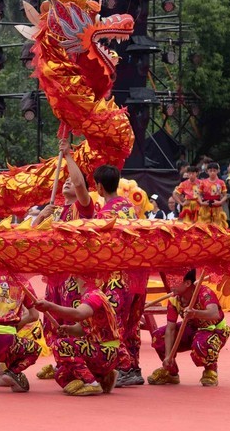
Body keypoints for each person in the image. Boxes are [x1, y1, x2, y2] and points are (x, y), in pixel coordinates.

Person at [31, 137, 98, 387]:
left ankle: (80, 364)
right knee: (52, 320)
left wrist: (68, 155)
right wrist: (40, 218)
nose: (68, 181)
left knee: (72, 319)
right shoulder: (56, 212)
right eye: (65, 180)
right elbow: (30, 238)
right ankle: (63, 361)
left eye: (71, 180)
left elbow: (80, 184)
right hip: (55, 275)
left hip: (74, 275)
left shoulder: (84, 208)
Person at [89, 164, 147, 387]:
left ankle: (123, 367)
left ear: (99, 187)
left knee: (113, 321)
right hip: (137, 274)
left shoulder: (104, 215)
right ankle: (133, 368)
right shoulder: (130, 208)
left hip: (116, 275)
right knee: (132, 323)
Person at [34, 278, 123, 395]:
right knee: (61, 375)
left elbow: (78, 314)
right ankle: (103, 377)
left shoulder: (93, 295)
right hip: (99, 351)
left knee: (60, 345)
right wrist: (69, 329)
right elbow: (83, 328)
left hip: (105, 351)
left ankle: (92, 384)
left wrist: (50, 306)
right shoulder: (90, 295)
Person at [147, 269, 229, 387]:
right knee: (158, 336)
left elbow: (214, 314)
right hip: (191, 328)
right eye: (169, 281)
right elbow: (170, 329)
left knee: (201, 343)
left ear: (187, 283)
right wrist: (168, 356)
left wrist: (195, 313)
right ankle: (171, 372)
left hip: (213, 330)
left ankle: (210, 371)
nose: (170, 285)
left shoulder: (205, 293)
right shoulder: (174, 299)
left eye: (174, 281)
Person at [196, 162, 228, 228]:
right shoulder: (203, 182)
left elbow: (225, 195)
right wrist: (201, 202)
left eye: (214, 171)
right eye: (210, 171)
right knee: (204, 226)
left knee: (217, 226)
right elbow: (199, 194)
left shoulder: (221, 182)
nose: (212, 172)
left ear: (217, 171)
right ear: (207, 171)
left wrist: (220, 202)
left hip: (217, 206)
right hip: (205, 205)